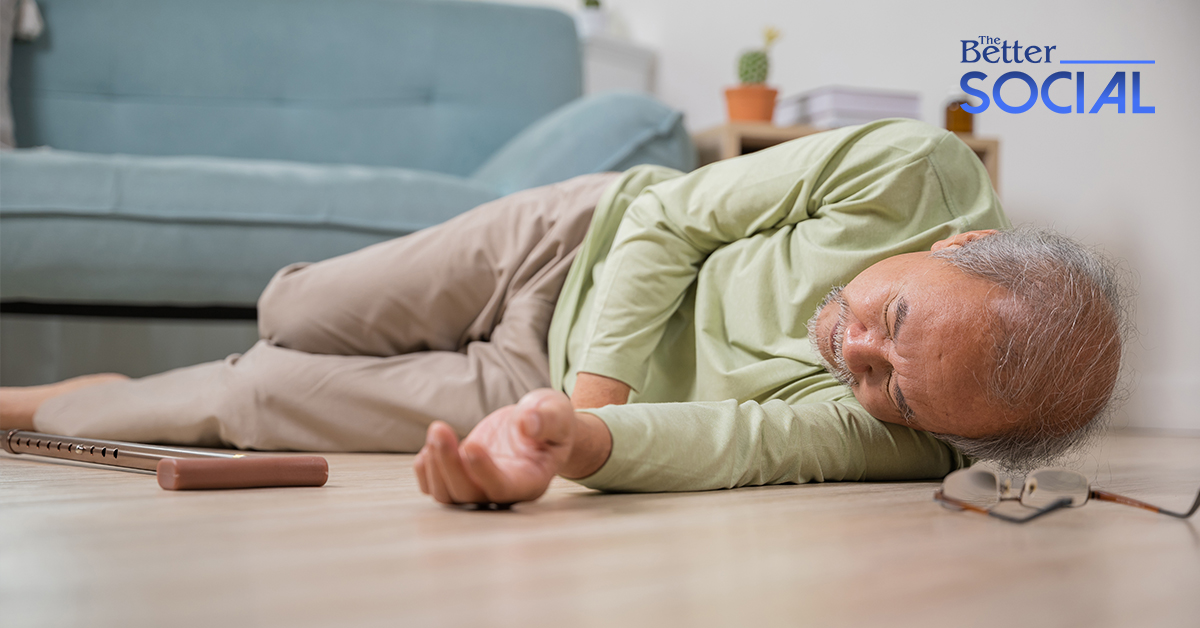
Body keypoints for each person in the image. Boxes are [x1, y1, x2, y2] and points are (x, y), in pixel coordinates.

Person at [0, 119, 1126, 507]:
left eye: (890, 388)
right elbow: (671, 220)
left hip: (532, 385)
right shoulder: (915, 170)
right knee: (291, 309)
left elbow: (746, 442)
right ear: (958, 244)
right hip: (572, 241)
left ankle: (30, 406)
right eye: (893, 315)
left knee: (254, 397)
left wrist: (567, 441)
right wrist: (591, 398)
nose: (853, 348)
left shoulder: (918, 434)